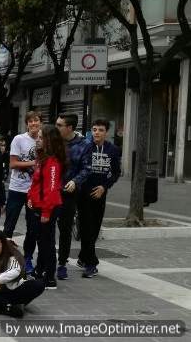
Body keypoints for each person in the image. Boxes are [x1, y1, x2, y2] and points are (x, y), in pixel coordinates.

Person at [76, 119, 121, 279]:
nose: (96, 132)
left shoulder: (113, 150)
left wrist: (104, 187)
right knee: (86, 228)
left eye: (100, 130)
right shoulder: (85, 147)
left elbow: (116, 172)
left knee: (94, 229)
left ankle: (83, 256)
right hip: (83, 194)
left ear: (106, 132)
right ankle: (91, 264)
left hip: (100, 194)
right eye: (94, 129)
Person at [24, 124, 65, 289]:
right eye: (37, 137)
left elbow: (52, 189)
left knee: (47, 243)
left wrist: (46, 211)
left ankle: (50, 278)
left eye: (41, 137)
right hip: (38, 207)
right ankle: (39, 271)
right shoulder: (42, 158)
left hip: (47, 209)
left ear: (49, 140)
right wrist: (29, 198)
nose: (37, 140)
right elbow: (35, 183)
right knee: (41, 241)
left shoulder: (53, 162)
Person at [4, 111, 42, 263]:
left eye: (36, 120)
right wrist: (34, 163)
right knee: (9, 225)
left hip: (35, 191)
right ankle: (4, 256)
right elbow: (13, 164)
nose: (33, 123)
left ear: (40, 122)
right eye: (30, 121)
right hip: (17, 188)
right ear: (27, 123)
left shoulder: (43, 140)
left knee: (32, 227)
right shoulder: (19, 139)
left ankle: (27, 259)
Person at [55, 113, 88, 280]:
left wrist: (76, 181)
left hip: (68, 192)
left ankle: (62, 263)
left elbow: (86, 168)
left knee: (65, 228)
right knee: (44, 227)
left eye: (60, 125)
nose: (57, 127)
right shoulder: (53, 141)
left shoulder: (83, 145)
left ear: (69, 127)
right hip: (51, 190)